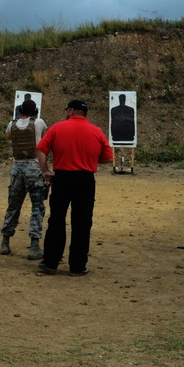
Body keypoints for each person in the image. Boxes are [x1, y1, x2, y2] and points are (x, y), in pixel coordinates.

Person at [35, 99, 113, 276]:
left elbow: (41, 150)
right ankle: (77, 266)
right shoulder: (97, 131)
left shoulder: (57, 128)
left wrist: (46, 171)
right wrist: (89, 160)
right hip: (85, 180)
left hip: (62, 178)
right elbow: (108, 158)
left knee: (56, 220)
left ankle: (50, 263)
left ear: (70, 111)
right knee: (82, 222)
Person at [0, 99, 48, 260]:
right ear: (35, 111)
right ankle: (34, 246)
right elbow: (46, 138)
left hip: (17, 169)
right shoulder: (39, 122)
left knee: (13, 206)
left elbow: (8, 137)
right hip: (34, 168)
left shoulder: (11, 124)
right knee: (37, 208)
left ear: (20, 110)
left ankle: (5, 242)